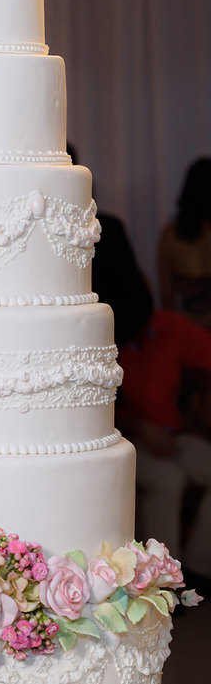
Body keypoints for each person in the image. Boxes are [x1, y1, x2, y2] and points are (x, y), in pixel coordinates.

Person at [93, 215, 211, 589]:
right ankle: (162, 581)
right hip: (124, 438)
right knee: (168, 479)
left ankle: (198, 568)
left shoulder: (168, 328)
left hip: (172, 436)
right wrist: (140, 428)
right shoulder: (101, 343)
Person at [158, 157, 211, 329]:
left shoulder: (170, 234)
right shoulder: (171, 234)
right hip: (188, 328)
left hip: (185, 327)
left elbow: (166, 297)